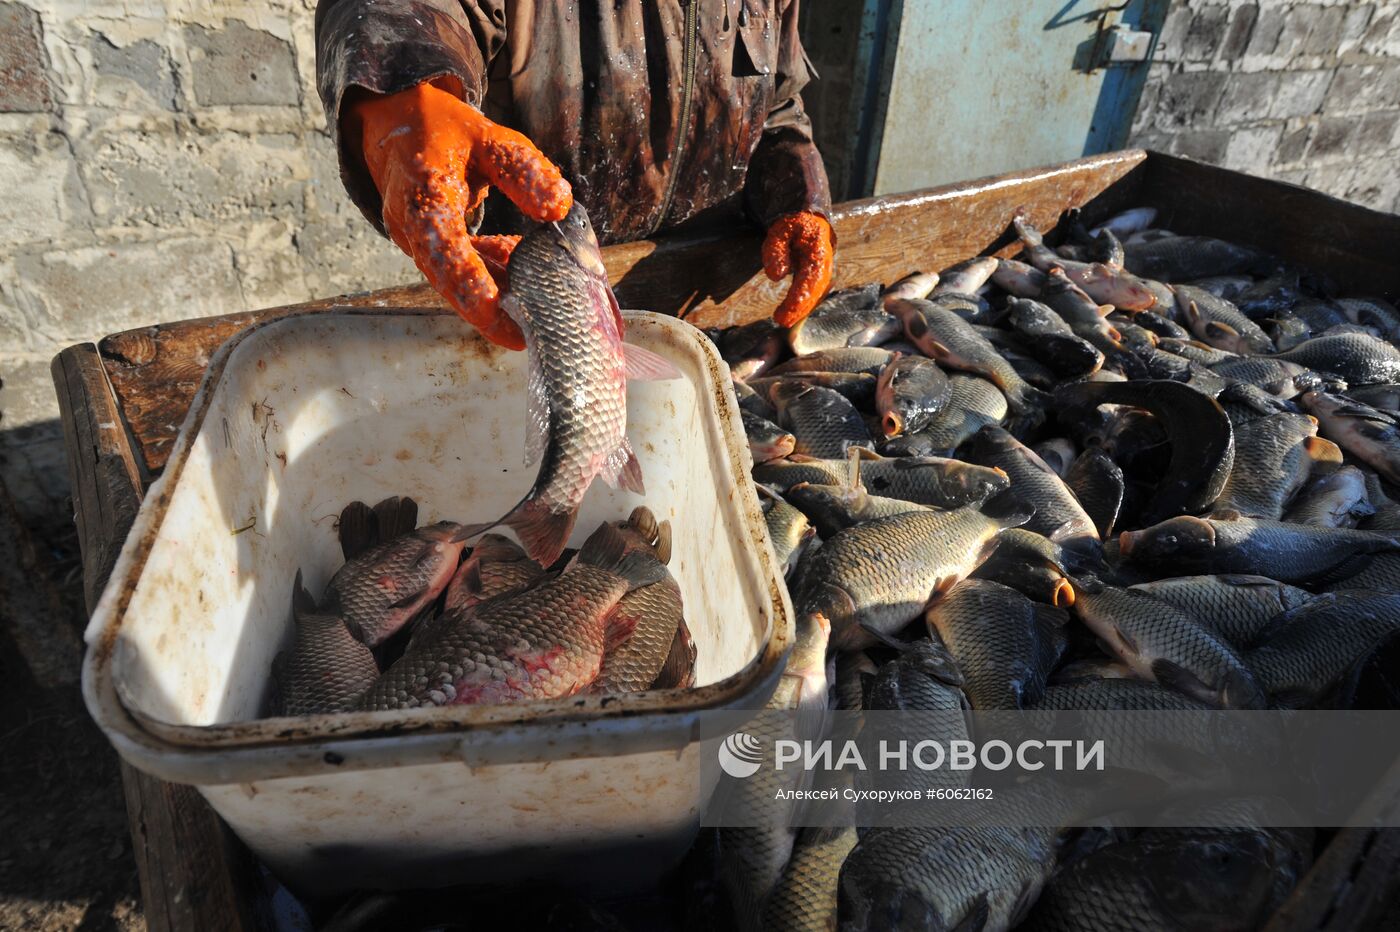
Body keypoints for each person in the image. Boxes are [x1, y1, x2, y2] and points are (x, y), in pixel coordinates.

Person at [315, 0, 834, 350]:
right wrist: (404, 90)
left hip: (705, 300)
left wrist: (799, 195)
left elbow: (780, 103)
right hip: (531, 312)